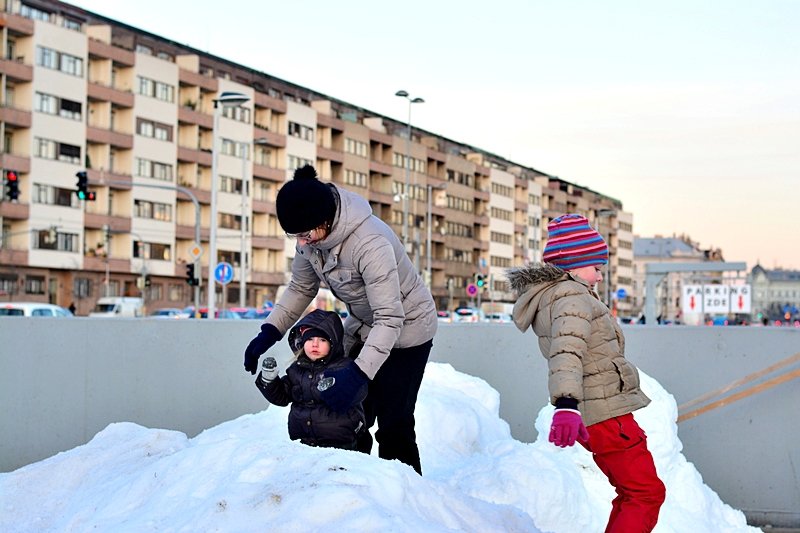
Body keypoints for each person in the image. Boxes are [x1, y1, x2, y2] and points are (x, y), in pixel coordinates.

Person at [243, 164, 437, 475]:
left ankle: (403, 496)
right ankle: (350, 488)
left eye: (305, 234)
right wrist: (269, 332)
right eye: (296, 236)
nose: (301, 243)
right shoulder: (312, 238)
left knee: (393, 419)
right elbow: (300, 287)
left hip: (409, 327)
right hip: (365, 324)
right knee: (351, 413)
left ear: (324, 221)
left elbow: (390, 317)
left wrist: (360, 373)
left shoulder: (369, 242)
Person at [506, 214, 666, 533]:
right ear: (575, 264)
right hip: (606, 414)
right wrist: (567, 405)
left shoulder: (560, 295)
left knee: (633, 493)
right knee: (645, 493)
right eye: (596, 268)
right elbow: (567, 350)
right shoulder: (571, 297)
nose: (599, 277)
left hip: (601, 412)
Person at [255, 309, 367, 450]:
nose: (315, 344)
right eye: (309, 339)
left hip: (339, 441)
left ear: (334, 343)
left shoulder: (344, 367)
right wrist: (269, 380)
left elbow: (359, 391)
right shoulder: (297, 369)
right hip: (305, 441)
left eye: (322, 340)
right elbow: (282, 397)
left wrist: (337, 387)